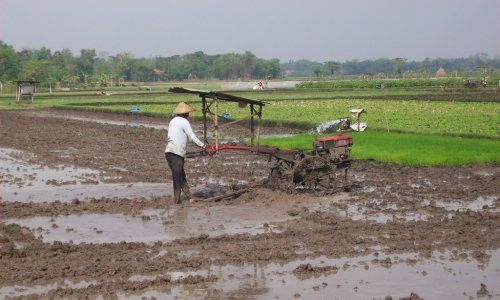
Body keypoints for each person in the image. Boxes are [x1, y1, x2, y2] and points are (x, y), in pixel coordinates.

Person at [165, 102, 213, 204]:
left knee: (181, 175)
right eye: (188, 113)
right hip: (176, 153)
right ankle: (177, 200)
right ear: (185, 113)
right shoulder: (184, 122)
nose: (188, 115)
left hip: (169, 152)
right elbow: (192, 137)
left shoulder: (172, 121)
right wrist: (204, 146)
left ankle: (190, 197)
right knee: (177, 177)